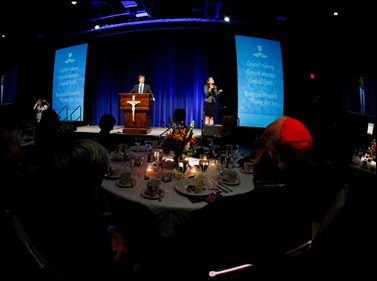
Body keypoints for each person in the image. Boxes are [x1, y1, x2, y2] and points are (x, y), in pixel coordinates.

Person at [164, 115, 314, 280]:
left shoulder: (226, 212)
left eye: (260, 145)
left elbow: (175, 249)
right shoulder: (305, 208)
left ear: (267, 157)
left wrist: (222, 207)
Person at [18, 138, 140, 280]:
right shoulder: (74, 222)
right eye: (104, 171)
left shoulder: (64, 194)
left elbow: (99, 214)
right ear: (94, 178)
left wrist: (111, 229)